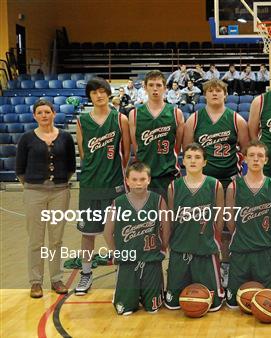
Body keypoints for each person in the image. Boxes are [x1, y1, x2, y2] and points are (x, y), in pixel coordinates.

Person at [183, 78, 249, 286]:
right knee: (199, 225)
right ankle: (200, 265)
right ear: (205, 95)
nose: (214, 94)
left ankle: (227, 266)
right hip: (201, 182)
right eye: (210, 91)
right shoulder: (194, 120)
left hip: (229, 179)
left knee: (228, 227)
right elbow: (188, 150)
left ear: (225, 94)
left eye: (218, 91)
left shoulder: (236, 119)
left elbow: (246, 150)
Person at [74, 77, 130, 296]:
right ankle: (86, 274)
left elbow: (125, 153)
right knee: (88, 233)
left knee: (116, 232)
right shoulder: (82, 121)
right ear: (89, 96)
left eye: (102, 91)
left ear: (109, 94)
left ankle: (120, 272)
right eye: (94, 92)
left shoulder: (120, 119)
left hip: (114, 183)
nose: (98, 95)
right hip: (89, 185)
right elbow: (84, 153)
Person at [15, 99, 76, 298]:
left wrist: (58, 183)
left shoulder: (65, 137)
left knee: (56, 240)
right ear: (34, 116)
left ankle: (56, 279)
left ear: (54, 113)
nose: (44, 115)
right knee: (36, 240)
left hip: (60, 191)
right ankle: (35, 281)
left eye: (47, 112)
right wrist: (33, 186)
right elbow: (20, 169)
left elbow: (70, 167)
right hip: (33, 192)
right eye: (39, 112)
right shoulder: (26, 138)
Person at [164, 143, 225, 311]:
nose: (193, 161)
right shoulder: (174, 186)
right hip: (180, 250)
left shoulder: (214, 185)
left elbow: (220, 217)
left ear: (204, 162)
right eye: (189, 157)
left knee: (212, 305)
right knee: (172, 304)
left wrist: (215, 241)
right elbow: (170, 218)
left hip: (205, 251)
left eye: (198, 157)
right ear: (183, 161)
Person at [103, 162, 168, 315]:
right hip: (128, 262)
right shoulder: (118, 203)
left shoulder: (158, 200)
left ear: (149, 180)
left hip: (151, 260)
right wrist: (117, 254)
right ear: (127, 181)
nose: (138, 183)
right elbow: (107, 233)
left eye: (142, 179)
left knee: (153, 309)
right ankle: (126, 296)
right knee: (125, 310)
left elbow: (166, 228)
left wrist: (164, 248)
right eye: (134, 179)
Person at [224, 140, 271, 308]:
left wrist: (266, 236)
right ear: (244, 159)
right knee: (233, 304)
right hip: (240, 251)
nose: (256, 159)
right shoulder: (234, 187)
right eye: (251, 155)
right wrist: (242, 236)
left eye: (260, 156)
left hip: (264, 252)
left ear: (266, 160)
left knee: (267, 302)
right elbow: (230, 220)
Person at [129, 70, 184, 199]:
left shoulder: (176, 113)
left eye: (159, 85)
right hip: (143, 176)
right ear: (145, 87)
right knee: (145, 219)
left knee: (168, 217)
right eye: (151, 85)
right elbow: (136, 148)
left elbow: (178, 145)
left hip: (169, 174)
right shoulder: (134, 114)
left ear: (165, 88)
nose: (155, 89)